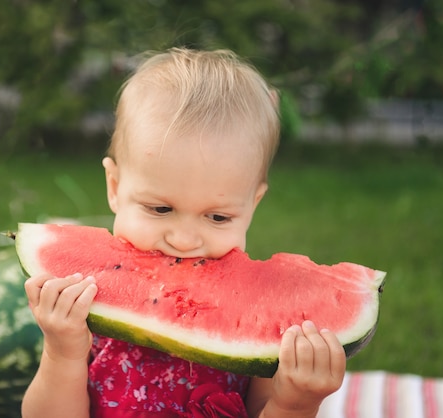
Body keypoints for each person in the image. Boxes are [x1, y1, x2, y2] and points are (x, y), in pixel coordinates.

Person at [22, 48, 346, 418]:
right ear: (114, 186)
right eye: (160, 209)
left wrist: (296, 402)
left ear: (252, 205)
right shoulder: (89, 305)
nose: (185, 240)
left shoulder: (263, 325)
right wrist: (62, 352)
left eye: (218, 217)